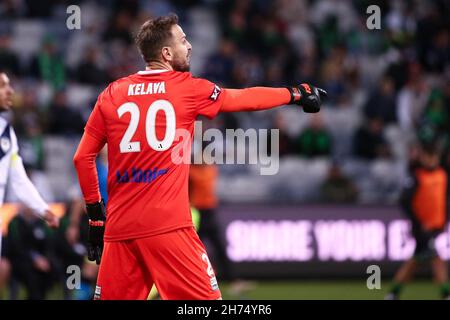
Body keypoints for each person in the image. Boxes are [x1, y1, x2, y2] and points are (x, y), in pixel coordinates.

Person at [73, 13, 327, 300]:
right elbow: (244, 98)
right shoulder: (187, 89)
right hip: (168, 228)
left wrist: (96, 217)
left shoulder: (111, 93)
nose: (190, 45)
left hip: (119, 231)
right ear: (166, 53)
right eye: (183, 40)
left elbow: (82, 159)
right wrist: (295, 93)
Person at [0, 71, 60, 259]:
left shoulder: (6, 132)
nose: (10, 91)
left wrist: (42, 209)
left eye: (9, 85)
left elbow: (19, 179)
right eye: (3, 86)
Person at [385, 144, 449, 300]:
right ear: (423, 158)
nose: (432, 160)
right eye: (428, 156)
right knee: (436, 259)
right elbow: (404, 201)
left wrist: (444, 220)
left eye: (434, 156)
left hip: (436, 225)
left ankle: (393, 292)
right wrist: (418, 223)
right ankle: (446, 293)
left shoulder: (442, 175)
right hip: (422, 228)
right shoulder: (416, 177)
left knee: (414, 262)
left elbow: (443, 201)